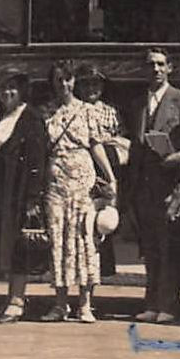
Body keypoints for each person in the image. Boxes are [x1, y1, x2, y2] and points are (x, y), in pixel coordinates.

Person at [129, 48, 180, 323]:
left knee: (171, 244)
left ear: (170, 68)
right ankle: (151, 303)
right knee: (151, 246)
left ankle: (169, 305)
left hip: (172, 183)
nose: (156, 69)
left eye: (161, 64)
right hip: (145, 186)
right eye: (151, 65)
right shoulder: (138, 103)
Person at [42, 64, 116, 323]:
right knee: (58, 238)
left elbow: (96, 146)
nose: (64, 85)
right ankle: (60, 303)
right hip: (55, 182)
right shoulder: (47, 112)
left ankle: (85, 304)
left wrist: (110, 177)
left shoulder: (86, 111)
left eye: (68, 80)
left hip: (82, 179)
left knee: (85, 239)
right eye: (59, 80)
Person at [0, 72, 50, 323]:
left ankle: (17, 299)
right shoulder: (0, 116)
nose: (7, 93)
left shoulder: (31, 118)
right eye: (3, 89)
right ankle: (9, 296)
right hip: (0, 190)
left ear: (21, 91)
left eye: (12, 88)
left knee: (20, 243)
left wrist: (33, 197)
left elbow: (38, 160)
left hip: (21, 190)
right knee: (5, 243)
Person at [76, 65, 127, 279]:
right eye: (86, 83)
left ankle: (102, 271)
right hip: (79, 170)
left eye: (95, 83)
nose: (91, 88)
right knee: (81, 224)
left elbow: (123, 141)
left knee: (104, 221)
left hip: (106, 171)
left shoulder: (110, 110)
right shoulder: (75, 109)